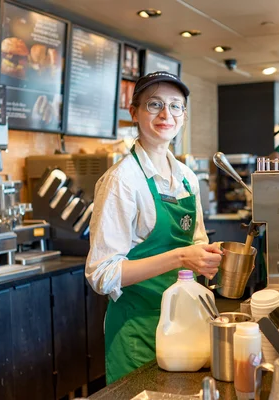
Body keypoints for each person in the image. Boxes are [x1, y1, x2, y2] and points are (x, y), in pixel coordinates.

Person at [85, 71, 223, 384]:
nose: (166, 114)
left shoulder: (187, 176)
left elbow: (197, 241)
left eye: (176, 106)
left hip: (184, 326)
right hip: (137, 331)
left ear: (184, 116)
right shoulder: (121, 181)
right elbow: (102, 274)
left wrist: (211, 257)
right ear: (134, 111)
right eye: (154, 104)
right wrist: (180, 258)